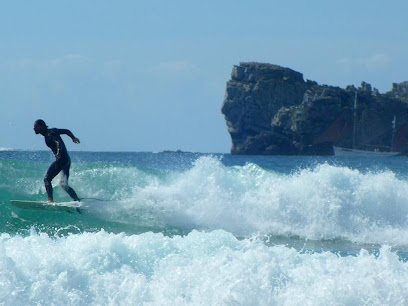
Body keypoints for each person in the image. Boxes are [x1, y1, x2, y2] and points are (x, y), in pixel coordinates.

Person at [33, 119, 81, 202]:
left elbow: (58, 142)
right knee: (63, 184)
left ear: (41, 126)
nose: (34, 129)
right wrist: (73, 138)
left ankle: (50, 200)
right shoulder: (53, 130)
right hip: (66, 160)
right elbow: (66, 131)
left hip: (61, 160)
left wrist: (58, 152)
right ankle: (77, 200)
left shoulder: (49, 134)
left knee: (47, 179)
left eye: (35, 127)